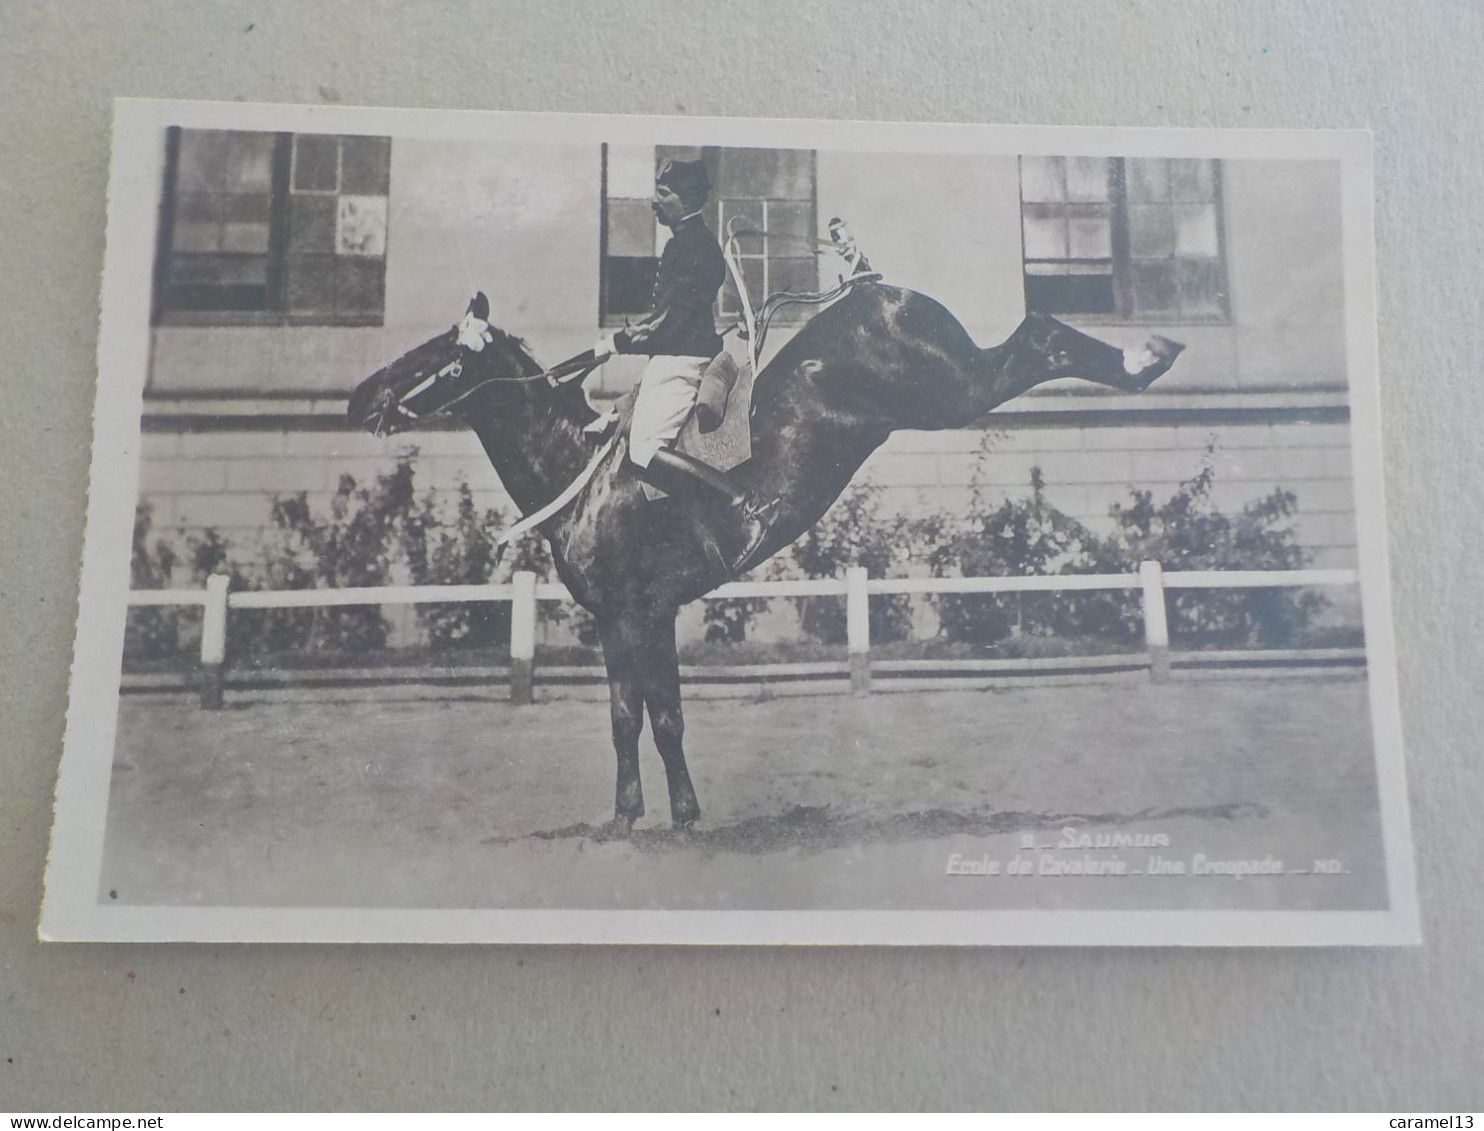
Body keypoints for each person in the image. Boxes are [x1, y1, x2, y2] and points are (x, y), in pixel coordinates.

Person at [591, 157, 779, 572]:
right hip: (673, 355)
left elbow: (668, 321)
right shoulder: (684, 241)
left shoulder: (693, 246)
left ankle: (740, 506)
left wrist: (616, 342)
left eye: (663, 195)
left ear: (686, 198)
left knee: (643, 450)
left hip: (681, 358)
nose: (654, 204)